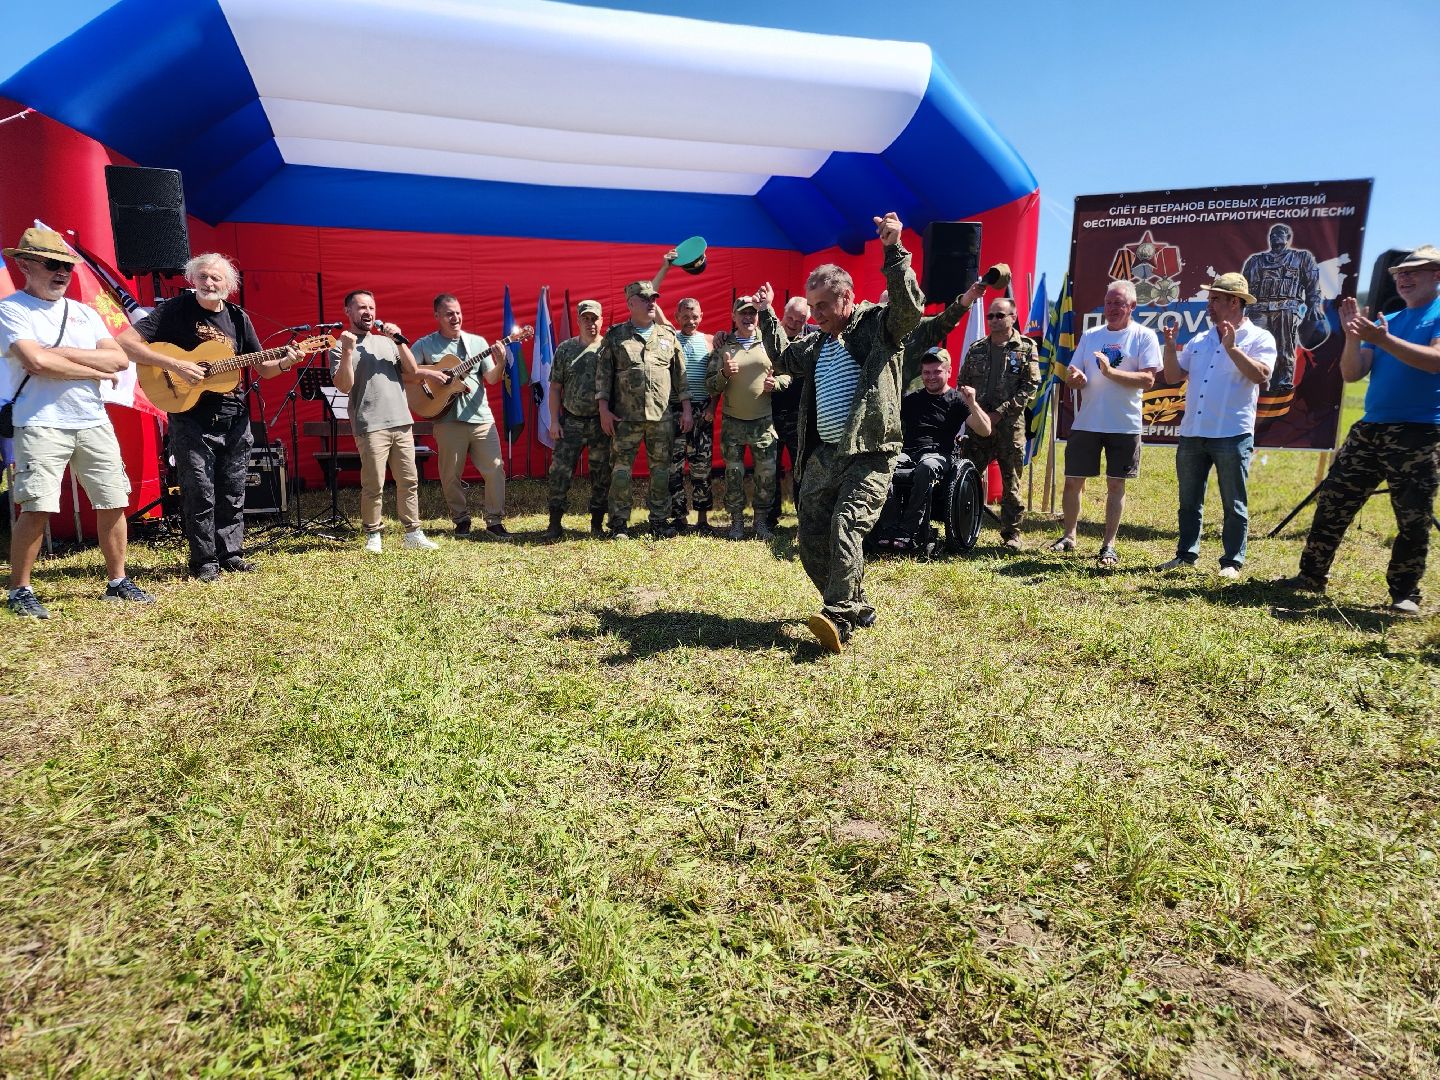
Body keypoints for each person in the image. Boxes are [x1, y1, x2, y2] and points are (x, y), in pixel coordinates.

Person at [758, 211, 923, 652]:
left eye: (823, 306)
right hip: (827, 453)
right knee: (811, 535)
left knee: (845, 522)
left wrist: (894, 249)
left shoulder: (876, 328)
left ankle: (838, 615)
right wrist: (767, 314)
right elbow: (783, 358)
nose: (816, 315)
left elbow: (909, 309)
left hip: (870, 452)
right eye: (811, 307)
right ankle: (856, 603)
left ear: (846, 297)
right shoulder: (817, 341)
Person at [1277, 245, 1440, 615]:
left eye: (1413, 272)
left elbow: (1435, 362)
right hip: (1370, 429)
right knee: (1333, 502)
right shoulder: (1389, 319)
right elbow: (1352, 372)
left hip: (1418, 432)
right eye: (1399, 273)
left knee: (1412, 516)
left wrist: (1382, 339)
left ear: (1437, 276)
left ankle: (1405, 593)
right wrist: (1353, 336)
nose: (1403, 278)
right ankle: (1311, 576)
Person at [1, 226, 153, 618]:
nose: (62, 272)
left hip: (92, 420)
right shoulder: (11, 309)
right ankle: (20, 589)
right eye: (52, 264)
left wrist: (62, 353)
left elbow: (118, 359)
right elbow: (36, 362)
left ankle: (118, 581)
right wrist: (94, 369)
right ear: (24, 265)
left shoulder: (85, 312)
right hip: (39, 421)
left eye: (67, 266)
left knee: (113, 499)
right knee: (37, 506)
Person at [119, 252, 294, 581]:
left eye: (216, 278)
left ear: (229, 284)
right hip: (190, 416)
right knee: (199, 490)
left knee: (232, 488)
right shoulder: (174, 310)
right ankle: (204, 561)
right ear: (192, 279)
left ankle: (231, 554)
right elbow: (126, 343)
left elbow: (263, 368)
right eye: (203, 276)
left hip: (233, 414)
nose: (209, 283)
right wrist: (176, 364)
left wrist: (286, 361)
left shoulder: (238, 318)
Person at [1157, 272, 1275, 578]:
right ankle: (1186, 556)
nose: (1208, 305)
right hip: (1193, 433)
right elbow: (1172, 376)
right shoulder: (1200, 339)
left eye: (1215, 299)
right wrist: (1169, 346)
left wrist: (1233, 348)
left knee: (1233, 502)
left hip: (1232, 433)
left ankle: (1232, 562)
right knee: (1188, 501)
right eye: (1210, 299)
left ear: (1234, 302)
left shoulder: (1260, 338)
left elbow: (1261, 375)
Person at [1050, 280, 1161, 567]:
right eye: (1108, 302)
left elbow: (1148, 379)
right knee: (1073, 481)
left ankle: (1108, 545)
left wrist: (1110, 373)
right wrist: (1076, 379)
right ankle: (1069, 536)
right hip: (1087, 421)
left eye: (1118, 303)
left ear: (1132, 306)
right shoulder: (1091, 335)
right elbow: (1075, 373)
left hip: (1124, 424)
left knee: (1115, 485)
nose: (1111, 308)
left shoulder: (1144, 336)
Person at [330, 289, 448, 552]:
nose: (368, 312)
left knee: (409, 480)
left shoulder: (387, 342)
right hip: (370, 424)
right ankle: (373, 534)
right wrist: (347, 351)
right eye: (361, 307)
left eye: (371, 307)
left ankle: (413, 533)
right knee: (374, 483)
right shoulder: (340, 346)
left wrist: (399, 341)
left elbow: (413, 371)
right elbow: (344, 386)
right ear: (348, 311)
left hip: (401, 420)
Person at [595, 280, 692, 540]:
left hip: (661, 417)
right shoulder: (616, 336)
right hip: (625, 418)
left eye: (654, 298)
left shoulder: (667, 335)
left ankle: (659, 521)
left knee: (661, 471)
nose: (652, 303)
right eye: (645, 298)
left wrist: (686, 409)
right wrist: (603, 409)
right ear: (630, 303)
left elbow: (680, 376)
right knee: (621, 471)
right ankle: (619, 524)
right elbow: (603, 376)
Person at [410, 293, 507, 538]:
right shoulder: (424, 345)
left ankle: (494, 521)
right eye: (449, 314)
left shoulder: (477, 342)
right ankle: (461, 519)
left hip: (481, 417)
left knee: (495, 469)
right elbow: (406, 371)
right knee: (450, 475)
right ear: (437, 316)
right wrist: (431, 374)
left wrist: (501, 362)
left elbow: (492, 378)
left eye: (458, 313)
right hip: (447, 419)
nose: (455, 317)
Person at [956, 296, 1040, 549]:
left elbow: (1030, 386)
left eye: (1000, 315)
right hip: (978, 425)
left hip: (1009, 427)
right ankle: (964, 527)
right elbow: (962, 382)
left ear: (1013, 317)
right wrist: (978, 413)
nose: (993, 320)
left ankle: (1011, 534)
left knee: (1011, 483)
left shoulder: (1026, 348)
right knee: (967, 477)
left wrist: (1000, 413)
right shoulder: (977, 348)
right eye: (990, 316)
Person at [889, 348, 990, 550]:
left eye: (937, 371)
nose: (931, 377)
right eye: (926, 372)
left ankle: (910, 529)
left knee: (926, 467)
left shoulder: (957, 400)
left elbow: (985, 430)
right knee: (885, 467)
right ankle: (888, 527)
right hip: (909, 453)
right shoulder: (911, 399)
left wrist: (972, 402)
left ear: (949, 371)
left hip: (940, 454)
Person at [707, 295, 788, 540]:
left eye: (752, 312)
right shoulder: (724, 345)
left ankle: (761, 523)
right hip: (733, 423)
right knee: (733, 474)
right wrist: (723, 373)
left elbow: (788, 373)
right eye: (743, 312)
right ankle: (737, 523)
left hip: (763, 423)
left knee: (766, 475)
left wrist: (776, 384)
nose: (748, 317)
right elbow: (710, 385)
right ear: (733, 316)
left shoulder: (769, 342)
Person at [544, 299, 610, 539]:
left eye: (595, 318)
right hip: (570, 422)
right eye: (586, 318)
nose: (590, 323)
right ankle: (554, 524)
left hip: (600, 423)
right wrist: (554, 421)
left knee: (601, 474)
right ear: (578, 320)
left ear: (601, 320)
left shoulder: (609, 348)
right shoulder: (565, 349)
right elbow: (555, 388)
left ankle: (597, 524)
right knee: (559, 473)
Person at [1242, 223, 1324, 392]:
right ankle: (1248, 383)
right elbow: (1242, 289)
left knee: (1285, 348)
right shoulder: (1255, 261)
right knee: (1252, 346)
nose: (1275, 237)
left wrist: (1314, 305)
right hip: (1258, 309)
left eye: (1279, 233)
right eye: (1272, 234)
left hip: (1286, 309)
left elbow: (1313, 285)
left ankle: (1282, 386)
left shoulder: (1301, 258)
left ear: (1288, 238)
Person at [767, 296, 817, 528]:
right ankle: (770, 517)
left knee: (801, 469)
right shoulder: (768, 334)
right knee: (770, 467)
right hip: (770, 413)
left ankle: (802, 518)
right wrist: (721, 336)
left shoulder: (816, 336)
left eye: (800, 320)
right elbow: (741, 337)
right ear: (782, 314)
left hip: (801, 416)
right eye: (790, 318)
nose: (794, 323)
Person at [667, 297, 715, 532]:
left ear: (701, 316)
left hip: (702, 413)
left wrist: (712, 408)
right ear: (677, 317)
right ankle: (679, 518)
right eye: (685, 317)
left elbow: (717, 379)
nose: (690, 321)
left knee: (702, 467)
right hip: (675, 410)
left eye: (695, 316)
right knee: (673, 467)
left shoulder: (710, 341)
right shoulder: (670, 339)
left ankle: (702, 519)